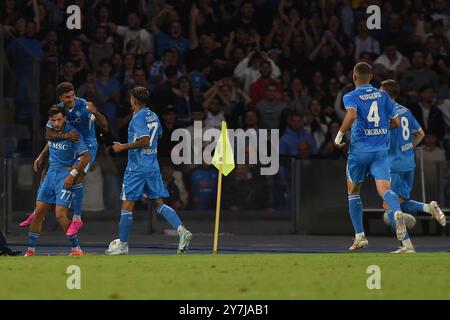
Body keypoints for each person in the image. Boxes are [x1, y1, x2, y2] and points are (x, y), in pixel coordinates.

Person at [106, 87, 192, 255]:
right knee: (158, 203)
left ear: (133, 100)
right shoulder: (152, 115)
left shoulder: (137, 117)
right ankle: (182, 231)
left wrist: (124, 146)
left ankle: (122, 245)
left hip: (137, 167)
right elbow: (158, 134)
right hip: (152, 165)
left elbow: (145, 140)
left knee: (127, 205)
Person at [20, 82, 108, 237]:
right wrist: (41, 155)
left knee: (77, 176)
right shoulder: (59, 109)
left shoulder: (85, 106)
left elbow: (105, 127)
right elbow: (50, 135)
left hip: (86, 146)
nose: (72, 98)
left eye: (73, 95)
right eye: (68, 97)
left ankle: (77, 218)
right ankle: (37, 211)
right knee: (47, 170)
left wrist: (97, 113)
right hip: (69, 143)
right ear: (61, 98)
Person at [334, 62, 405, 252]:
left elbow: (350, 115)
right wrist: (378, 129)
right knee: (384, 190)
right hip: (380, 151)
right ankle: (396, 211)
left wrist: (339, 135)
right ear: (372, 77)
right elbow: (396, 123)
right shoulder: (383, 95)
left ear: (354, 77)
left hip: (359, 152)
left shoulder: (351, 96)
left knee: (354, 192)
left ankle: (360, 237)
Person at [380, 80, 446, 254]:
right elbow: (421, 134)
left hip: (393, 164)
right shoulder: (406, 110)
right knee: (400, 202)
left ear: (385, 94)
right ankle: (428, 208)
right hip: (409, 162)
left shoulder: (386, 112)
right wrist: (408, 147)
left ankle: (407, 245)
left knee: (389, 208)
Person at [24, 106, 90, 256]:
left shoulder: (74, 133)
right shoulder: (52, 131)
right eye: (53, 120)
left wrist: (72, 174)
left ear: (65, 119)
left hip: (64, 174)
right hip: (50, 174)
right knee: (39, 211)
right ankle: (30, 251)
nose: (56, 123)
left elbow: (86, 156)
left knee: (60, 214)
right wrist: (41, 157)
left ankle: (76, 248)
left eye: (59, 120)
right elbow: (50, 142)